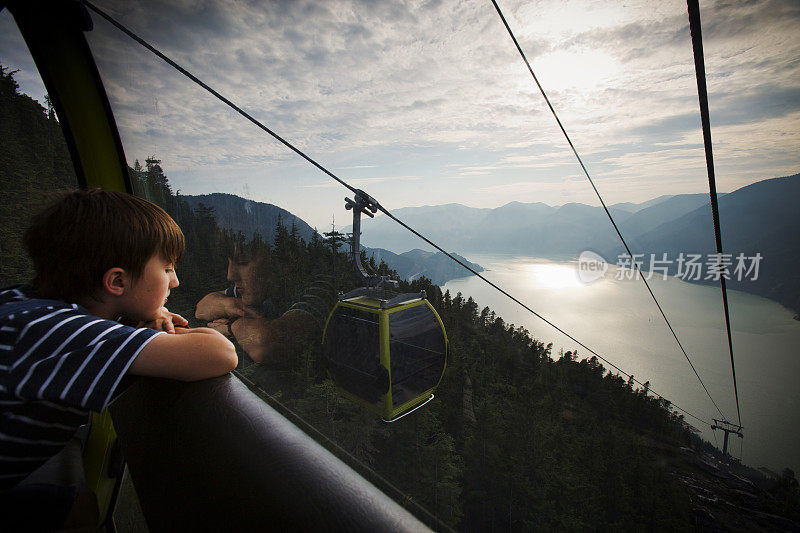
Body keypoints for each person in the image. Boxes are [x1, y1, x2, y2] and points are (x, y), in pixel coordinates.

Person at [0, 189, 238, 530]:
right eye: (167, 269)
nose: (176, 281)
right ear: (117, 281)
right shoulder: (70, 335)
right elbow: (219, 353)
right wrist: (153, 323)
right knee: (80, 510)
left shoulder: (24, 305)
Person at [195, 240, 323, 365]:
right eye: (229, 262)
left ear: (275, 263)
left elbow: (267, 343)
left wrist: (231, 325)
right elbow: (202, 308)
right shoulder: (257, 288)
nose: (230, 275)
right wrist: (228, 305)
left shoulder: (317, 289)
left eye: (242, 262)